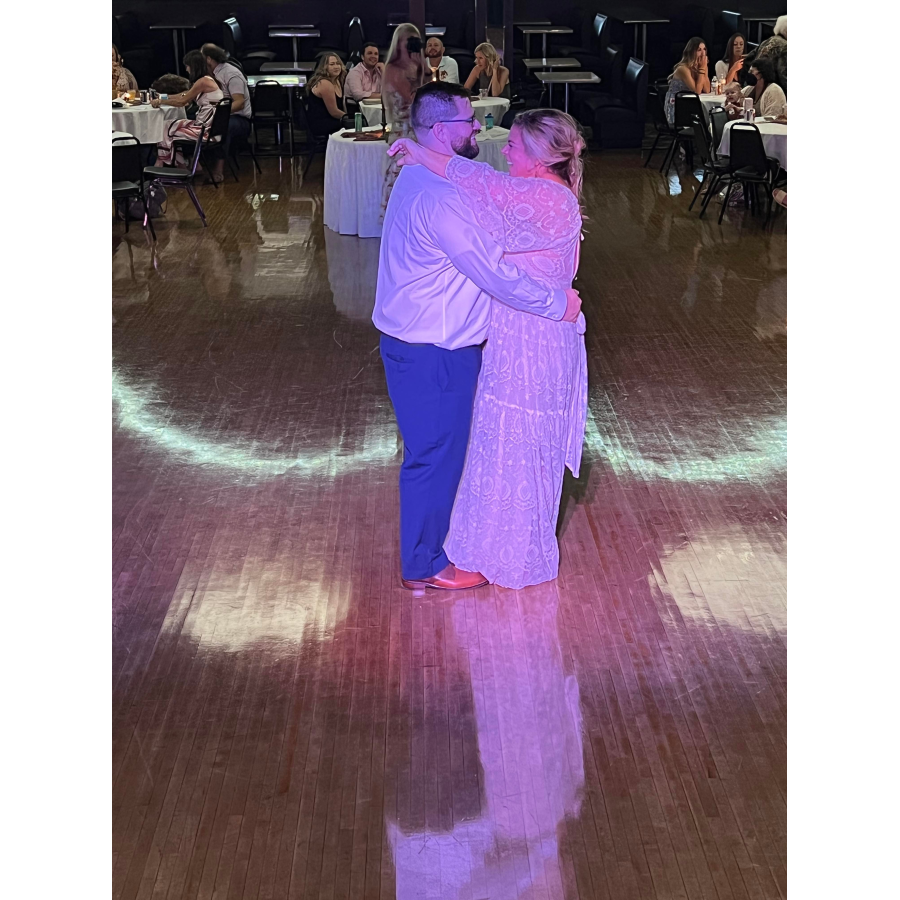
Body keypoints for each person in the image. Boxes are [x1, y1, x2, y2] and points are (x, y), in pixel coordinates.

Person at [373, 82, 582, 591]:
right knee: (437, 454)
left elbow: (491, 190)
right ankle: (426, 563)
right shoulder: (443, 198)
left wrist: (421, 151)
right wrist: (559, 304)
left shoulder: (420, 175)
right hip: (435, 348)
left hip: (441, 341)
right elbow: (494, 274)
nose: (479, 130)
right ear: (443, 130)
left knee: (479, 449)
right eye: (469, 121)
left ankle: (484, 546)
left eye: (512, 142)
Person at [380, 23, 427, 217]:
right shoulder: (393, 69)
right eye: (409, 42)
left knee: (419, 176)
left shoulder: (416, 67)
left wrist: (422, 65)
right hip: (403, 130)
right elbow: (412, 98)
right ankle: (396, 217)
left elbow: (427, 91)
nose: (411, 46)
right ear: (399, 43)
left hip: (417, 129)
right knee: (400, 175)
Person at [151, 50, 224, 168]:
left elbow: (182, 101)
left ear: (194, 66)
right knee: (167, 125)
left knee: (165, 130)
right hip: (209, 127)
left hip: (205, 132)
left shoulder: (203, 82)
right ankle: (181, 165)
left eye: (187, 66)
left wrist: (160, 101)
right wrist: (163, 96)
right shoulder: (208, 80)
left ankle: (162, 163)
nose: (186, 69)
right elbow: (184, 95)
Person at [200, 44, 252, 184]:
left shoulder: (231, 74)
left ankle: (218, 169)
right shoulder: (210, 74)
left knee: (221, 126)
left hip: (239, 119)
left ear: (209, 59)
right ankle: (194, 163)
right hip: (220, 115)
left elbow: (239, 103)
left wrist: (217, 114)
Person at [665, 37, 711, 124]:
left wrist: (703, 69)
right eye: (699, 50)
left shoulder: (701, 66)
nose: (703, 53)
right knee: (703, 119)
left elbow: (707, 90)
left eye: (704, 49)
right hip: (677, 106)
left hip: (689, 103)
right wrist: (702, 69)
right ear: (691, 52)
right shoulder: (683, 69)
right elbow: (697, 91)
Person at [305, 53, 348, 134]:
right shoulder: (325, 83)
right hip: (322, 124)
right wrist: (351, 118)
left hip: (333, 120)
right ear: (324, 67)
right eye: (332, 64)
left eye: (338, 63)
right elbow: (334, 112)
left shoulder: (338, 81)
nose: (336, 66)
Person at [754, 14, 787, 93]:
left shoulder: (767, 41)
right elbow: (783, 74)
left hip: (756, 83)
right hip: (772, 88)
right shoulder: (785, 46)